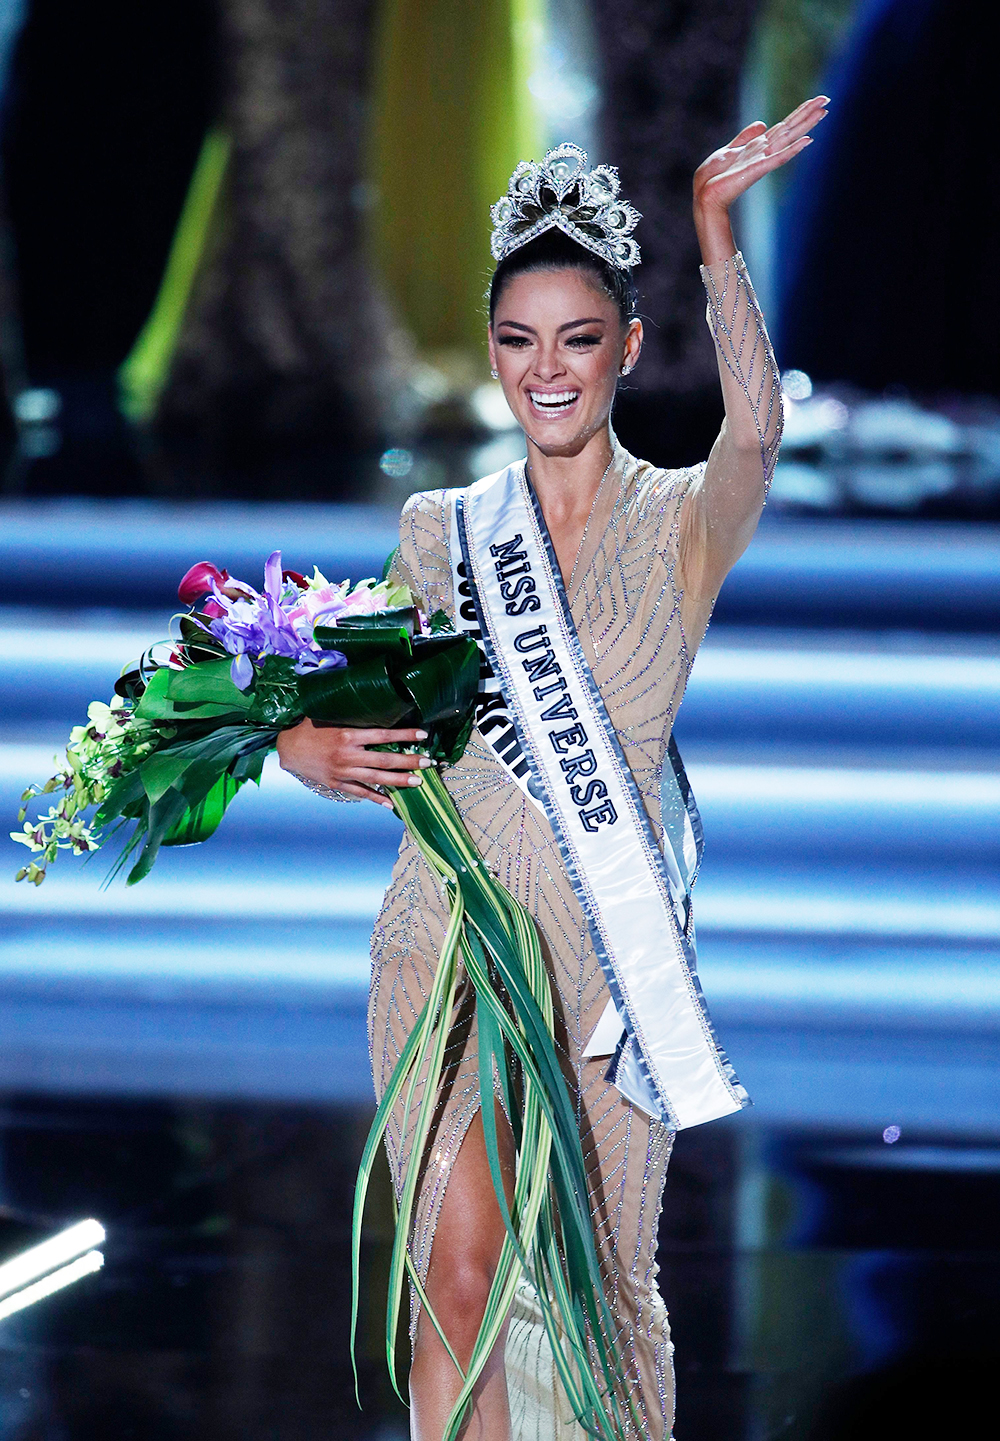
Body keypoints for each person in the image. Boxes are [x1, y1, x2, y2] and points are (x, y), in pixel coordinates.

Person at [277, 96, 827, 1441]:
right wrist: (302, 741)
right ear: (494, 355)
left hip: (604, 963)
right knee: (452, 1282)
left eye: (580, 339)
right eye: (520, 342)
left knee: (608, 1296)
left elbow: (754, 437)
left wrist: (716, 232)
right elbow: (346, 707)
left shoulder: (682, 526)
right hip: (444, 934)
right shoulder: (441, 527)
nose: (550, 369)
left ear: (630, 346)